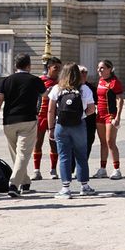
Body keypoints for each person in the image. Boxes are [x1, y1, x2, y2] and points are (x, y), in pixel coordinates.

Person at [0, 53, 47, 196]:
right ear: (29, 66)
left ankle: (25, 181)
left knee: (17, 153)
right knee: (23, 154)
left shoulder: (6, 81)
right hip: (28, 120)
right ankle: (13, 184)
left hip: (9, 121)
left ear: (15, 65)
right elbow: (45, 95)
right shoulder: (34, 80)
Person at [46, 63, 97, 199]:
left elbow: (50, 110)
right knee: (81, 155)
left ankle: (65, 188)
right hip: (79, 125)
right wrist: (82, 115)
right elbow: (92, 109)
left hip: (61, 125)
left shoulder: (57, 88)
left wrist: (51, 128)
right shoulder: (84, 89)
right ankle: (84, 186)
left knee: (64, 156)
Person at [32, 56, 62, 180]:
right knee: (37, 143)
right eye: (55, 68)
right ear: (49, 68)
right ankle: (36, 170)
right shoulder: (40, 80)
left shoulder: (61, 82)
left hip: (55, 116)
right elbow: (33, 98)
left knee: (54, 143)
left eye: (59, 68)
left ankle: (53, 169)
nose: (58, 71)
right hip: (41, 115)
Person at [94, 60, 125, 179]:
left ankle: (117, 170)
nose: (99, 70)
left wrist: (118, 117)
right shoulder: (101, 81)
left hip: (110, 115)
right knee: (103, 143)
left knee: (110, 142)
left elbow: (120, 100)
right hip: (99, 115)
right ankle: (102, 169)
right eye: (98, 68)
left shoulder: (114, 82)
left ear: (109, 69)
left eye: (102, 68)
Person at [80, 65, 97, 160]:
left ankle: (84, 162)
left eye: (85, 73)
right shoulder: (69, 87)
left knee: (89, 141)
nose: (83, 75)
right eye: (81, 73)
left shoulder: (90, 87)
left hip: (89, 118)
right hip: (76, 119)